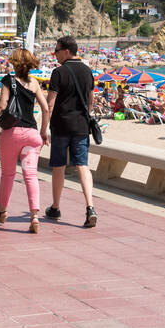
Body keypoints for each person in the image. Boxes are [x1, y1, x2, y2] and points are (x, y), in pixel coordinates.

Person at [0, 48, 50, 235]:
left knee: (8, 174)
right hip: (32, 135)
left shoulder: (8, 80)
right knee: (31, 175)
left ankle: (2, 211)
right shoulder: (34, 83)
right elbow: (45, 109)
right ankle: (34, 216)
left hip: (12, 134)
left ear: (14, 63)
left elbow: (2, 106)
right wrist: (43, 132)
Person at [44, 35, 97, 229]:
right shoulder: (87, 71)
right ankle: (90, 207)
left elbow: (50, 103)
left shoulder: (59, 73)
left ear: (67, 51)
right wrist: (84, 117)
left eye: (57, 50)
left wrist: (44, 128)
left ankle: (56, 207)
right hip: (81, 126)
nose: (54, 54)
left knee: (59, 166)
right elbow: (91, 100)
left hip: (61, 126)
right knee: (82, 165)